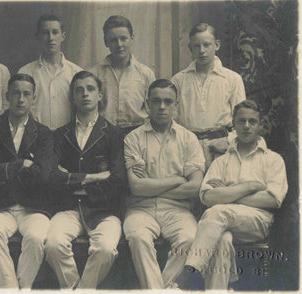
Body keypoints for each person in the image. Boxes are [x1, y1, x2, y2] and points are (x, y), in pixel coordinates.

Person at [184, 100, 288, 289]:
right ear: (234, 124)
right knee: (222, 240)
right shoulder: (222, 161)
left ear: (260, 125)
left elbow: (272, 200)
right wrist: (248, 187)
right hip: (222, 225)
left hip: (258, 222)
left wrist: (227, 192)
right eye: (241, 121)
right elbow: (207, 197)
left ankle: (191, 271)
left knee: (218, 212)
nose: (246, 126)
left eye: (252, 121)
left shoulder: (273, 159)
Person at [45, 71, 126, 289]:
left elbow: (118, 181)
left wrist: (74, 184)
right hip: (68, 208)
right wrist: (94, 177)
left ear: (100, 95)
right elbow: (52, 176)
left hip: (104, 211)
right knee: (53, 245)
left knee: (106, 249)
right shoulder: (60, 135)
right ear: (72, 97)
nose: (85, 94)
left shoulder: (115, 134)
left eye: (90, 89)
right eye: (79, 90)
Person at [123, 79, 205, 289]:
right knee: (138, 237)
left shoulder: (189, 139)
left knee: (190, 237)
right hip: (141, 209)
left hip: (178, 211)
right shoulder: (133, 139)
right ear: (147, 103)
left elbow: (195, 188)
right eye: (156, 101)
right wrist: (178, 180)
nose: (162, 107)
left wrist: (153, 187)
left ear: (176, 105)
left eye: (168, 102)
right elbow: (137, 188)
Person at [0, 73, 54, 289]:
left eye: (26, 94)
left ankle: (22, 288)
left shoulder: (43, 134)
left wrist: (3, 172)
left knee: (36, 237)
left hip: (33, 207)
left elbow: (43, 175)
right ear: (7, 96)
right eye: (15, 94)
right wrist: (19, 165)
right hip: (1, 206)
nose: (20, 99)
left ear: (33, 99)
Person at [171, 23, 246, 168]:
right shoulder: (178, 80)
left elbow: (241, 119)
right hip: (188, 148)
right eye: (196, 46)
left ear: (216, 45)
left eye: (206, 45)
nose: (202, 51)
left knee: (219, 187)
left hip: (222, 147)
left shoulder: (232, 79)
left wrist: (229, 142)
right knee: (192, 188)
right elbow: (173, 120)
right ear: (190, 48)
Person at [90, 15, 155, 133]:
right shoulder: (95, 74)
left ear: (132, 38)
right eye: (113, 40)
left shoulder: (145, 74)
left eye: (123, 38)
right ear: (106, 42)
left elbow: (152, 110)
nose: (119, 44)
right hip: (104, 134)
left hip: (138, 133)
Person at [18, 14, 83, 130]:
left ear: (62, 36)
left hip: (67, 138)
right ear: (38, 37)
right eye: (45, 33)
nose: (50, 37)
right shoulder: (25, 72)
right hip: (35, 137)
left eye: (55, 32)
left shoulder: (76, 73)